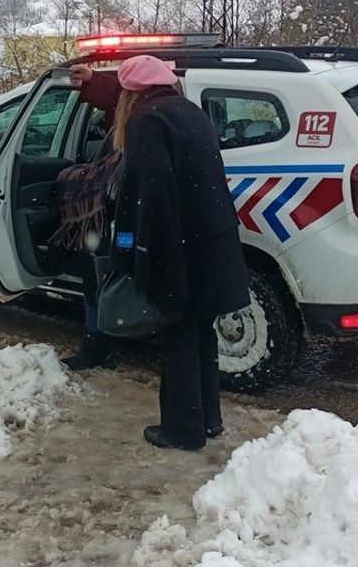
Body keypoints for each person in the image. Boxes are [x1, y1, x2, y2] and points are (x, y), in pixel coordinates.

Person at [107, 55, 249, 451]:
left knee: (178, 337)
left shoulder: (145, 122)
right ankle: (208, 419)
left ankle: (182, 429)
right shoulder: (190, 113)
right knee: (201, 332)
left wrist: (128, 252)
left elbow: (144, 198)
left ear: (130, 94)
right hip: (212, 243)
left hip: (176, 248)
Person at [52, 65, 123, 370]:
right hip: (124, 212)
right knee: (102, 273)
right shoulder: (161, 107)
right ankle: (103, 338)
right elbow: (118, 94)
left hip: (116, 214)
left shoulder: (145, 115)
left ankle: (97, 345)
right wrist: (95, 80)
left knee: (95, 270)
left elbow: (120, 93)